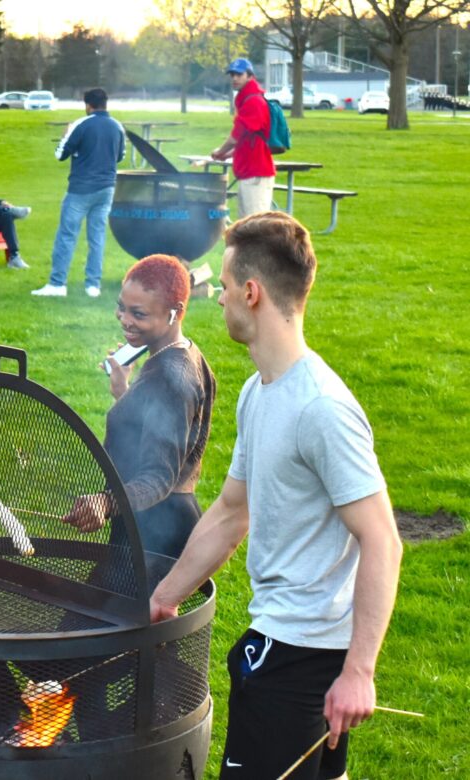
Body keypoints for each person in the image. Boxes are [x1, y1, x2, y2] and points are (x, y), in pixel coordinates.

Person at [149, 212, 403, 780]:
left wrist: (358, 671)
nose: (216, 298)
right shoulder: (258, 392)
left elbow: (382, 539)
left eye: (223, 285)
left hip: (302, 658)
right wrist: (166, 595)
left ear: (252, 292)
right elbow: (232, 511)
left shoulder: (321, 409)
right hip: (281, 644)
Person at [61, 255, 216, 559]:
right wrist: (125, 394)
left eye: (139, 314)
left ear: (175, 313)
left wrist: (106, 503)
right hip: (143, 518)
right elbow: (158, 428)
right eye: (122, 307)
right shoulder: (178, 354)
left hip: (158, 528)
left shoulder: (173, 378)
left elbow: (159, 476)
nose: (125, 320)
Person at [33, 87, 126, 299]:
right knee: (97, 237)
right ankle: (93, 285)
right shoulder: (117, 126)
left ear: (88, 105)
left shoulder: (80, 124)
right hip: (107, 188)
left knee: (67, 235)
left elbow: (60, 155)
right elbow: (120, 156)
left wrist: (65, 136)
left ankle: (57, 283)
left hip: (80, 189)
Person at [211, 58, 276, 218]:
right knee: (246, 225)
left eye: (239, 74)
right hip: (248, 171)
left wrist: (220, 151)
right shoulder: (245, 99)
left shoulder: (253, 101)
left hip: (256, 172)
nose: (234, 78)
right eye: (232, 74)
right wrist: (228, 155)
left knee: (256, 225)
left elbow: (235, 137)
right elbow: (245, 140)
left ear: (250, 76)